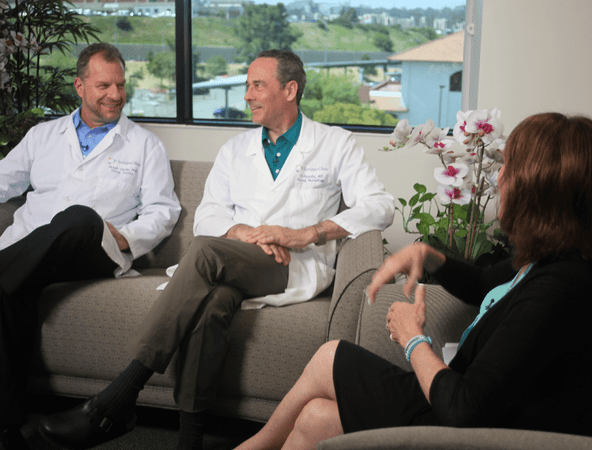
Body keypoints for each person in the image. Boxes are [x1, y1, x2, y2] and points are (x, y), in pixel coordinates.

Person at [38, 49, 395, 450]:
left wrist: (305, 234)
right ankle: (189, 440)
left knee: (206, 253)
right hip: (239, 262)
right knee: (213, 304)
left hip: (292, 264)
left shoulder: (335, 143)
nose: (247, 95)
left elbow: (381, 206)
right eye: (247, 86)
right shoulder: (234, 150)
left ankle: (122, 393)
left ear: (290, 89)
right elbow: (206, 217)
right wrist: (243, 232)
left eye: (257, 85)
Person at [231, 112, 592, 450]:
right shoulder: (551, 261)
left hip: (478, 431)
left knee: (330, 358)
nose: (499, 177)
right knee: (314, 417)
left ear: (540, 193)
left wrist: (413, 339)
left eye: (511, 169)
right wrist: (428, 257)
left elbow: (464, 409)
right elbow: (485, 283)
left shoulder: (559, 289)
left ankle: (253, 446)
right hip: (466, 409)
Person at [0, 43, 181, 450]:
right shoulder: (42, 135)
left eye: (120, 84)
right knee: (8, 292)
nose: (115, 94)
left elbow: (163, 211)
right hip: (29, 250)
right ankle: (8, 430)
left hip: (95, 249)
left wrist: (126, 236)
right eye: (104, 85)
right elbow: (2, 182)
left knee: (80, 216)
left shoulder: (144, 145)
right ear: (79, 86)